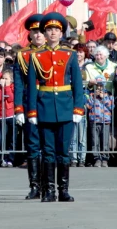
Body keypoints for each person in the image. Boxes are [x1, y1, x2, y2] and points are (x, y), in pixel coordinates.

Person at [27, 12, 84, 202]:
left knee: (63, 151)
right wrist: (32, 111)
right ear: (44, 32)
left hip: (66, 108)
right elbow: (31, 86)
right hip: (44, 108)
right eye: (49, 29)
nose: (53, 33)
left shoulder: (70, 55)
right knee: (48, 151)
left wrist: (78, 108)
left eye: (56, 30)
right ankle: (49, 190)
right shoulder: (36, 56)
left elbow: (77, 84)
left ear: (61, 33)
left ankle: (64, 190)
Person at [13, 14, 46, 199]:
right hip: (30, 102)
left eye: (42, 31)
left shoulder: (55, 53)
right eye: (35, 31)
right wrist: (18, 108)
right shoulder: (23, 55)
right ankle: (35, 186)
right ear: (30, 34)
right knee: (33, 145)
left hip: (50, 102)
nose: (39, 35)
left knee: (49, 146)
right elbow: (18, 83)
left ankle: (48, 185)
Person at [86, 79, 114, 167]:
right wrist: (94, 97)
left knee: (105, 141)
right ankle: (97, 158)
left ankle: (105, 159)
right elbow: (88, 106)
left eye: (101, 86)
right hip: (94, 121)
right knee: (95, 140)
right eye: (97, 86)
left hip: (105, 121)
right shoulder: (91, 95)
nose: (99, 88)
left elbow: (111, 106)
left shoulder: (109, 95)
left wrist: (103, 98)